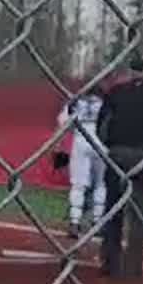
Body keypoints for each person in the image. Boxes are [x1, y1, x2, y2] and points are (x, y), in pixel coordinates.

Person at [96, 57, 143, 278]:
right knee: (140, 216)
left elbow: (102, 128)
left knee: (113, 210)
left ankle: (110, 263)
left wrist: (113, 145)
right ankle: (133, 267)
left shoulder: (115, 92)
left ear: (130, 71)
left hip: (117, 154)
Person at [58, 88, 106, 234]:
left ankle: (74, 221)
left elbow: (63, 122)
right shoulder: (105, 101)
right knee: (101, 184)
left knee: (78, 185)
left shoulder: (75, 101)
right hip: (102, 142)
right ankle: (98, 221)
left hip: (81, 140)